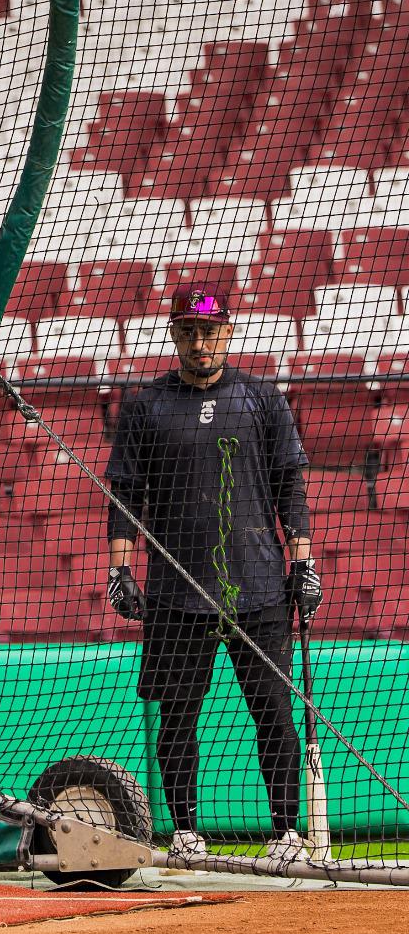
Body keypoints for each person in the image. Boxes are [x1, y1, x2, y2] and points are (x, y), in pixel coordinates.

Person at [104, 284, 323, 869]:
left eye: (212, 330)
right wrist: (120, 568)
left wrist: (304, 563)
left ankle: (286, 831)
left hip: (259, 586)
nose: (202, 342)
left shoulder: (262, 399)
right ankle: (185, 833)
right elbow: (124, 493)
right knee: (178, 716)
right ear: (175, 334)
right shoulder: (145, 406)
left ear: (229, 331)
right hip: (177, 591)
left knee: (275, 712)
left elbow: (290, 488)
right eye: (190, 331)